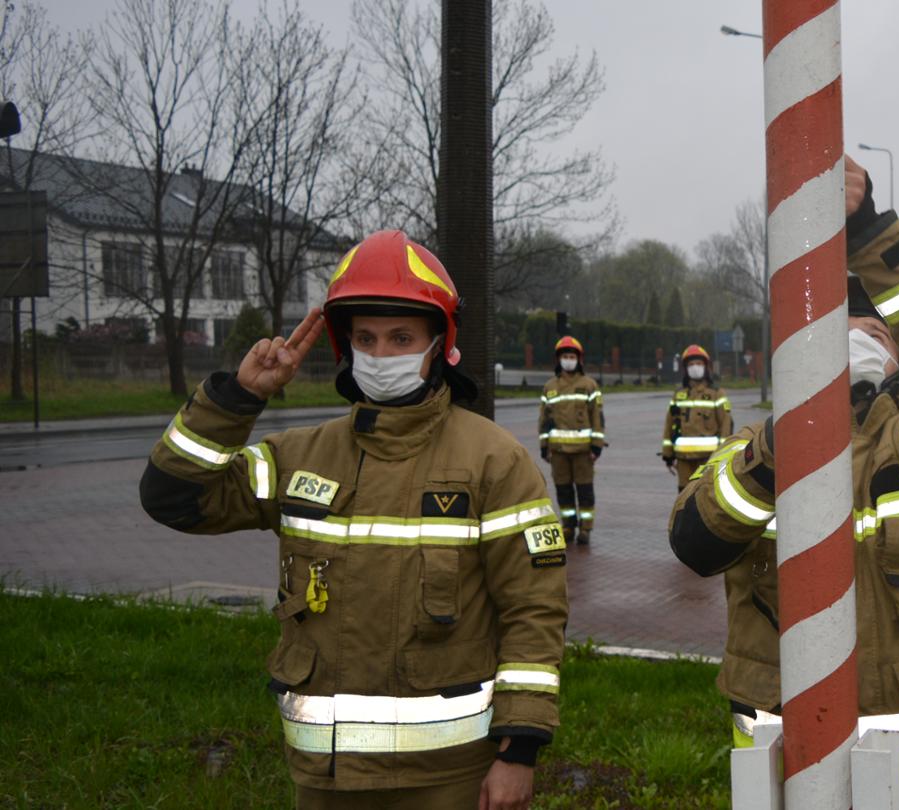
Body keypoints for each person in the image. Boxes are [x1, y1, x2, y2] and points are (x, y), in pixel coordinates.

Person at [139, 231, 567, 809]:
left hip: (448, 779)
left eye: (400, 338)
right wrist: (238, 399)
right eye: (365, 338)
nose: (381, 354)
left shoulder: (495, 462)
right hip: (325, 779)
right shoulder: (300, 456)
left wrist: (519, 755)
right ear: (346, 345)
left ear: (438, 344)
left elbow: (533, 612)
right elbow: (175, 498)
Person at [667, 156, 899, 808]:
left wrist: (871, 232)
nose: (861, 339)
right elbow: (695, 542)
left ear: (898, 350)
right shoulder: (752, 450)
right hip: (786, 777)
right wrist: (787, 442)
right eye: (843, 327)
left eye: (876, 329)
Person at [540, 335, 605, 545]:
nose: (568, 360)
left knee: (585, 490)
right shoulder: (550, 387)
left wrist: (596, 446)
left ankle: (585, 529)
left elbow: (597, 417)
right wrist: (544, 446)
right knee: (563, 490)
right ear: (559, 360)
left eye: (571, 356)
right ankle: (568, 525)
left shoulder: (589, 385)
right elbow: (544, 419)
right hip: (558, 451)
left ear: (579, 359)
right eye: (565, 356)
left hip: (583, 451)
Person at [661, 344, 731, 490]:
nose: (695, 367)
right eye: (691, 364)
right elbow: (669, 424)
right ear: (686, 369)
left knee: (707, 497)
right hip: (683, 460)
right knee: (685, 500)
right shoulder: (678, 395)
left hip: (709, 459)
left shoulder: (716, 394)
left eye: (699, 363)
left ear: (706, 366)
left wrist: (724, 455)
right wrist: (668, 455)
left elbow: (726, 424)